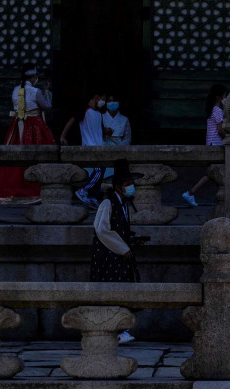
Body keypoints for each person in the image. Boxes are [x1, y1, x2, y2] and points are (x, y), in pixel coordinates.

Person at [91, 159, 149, 344]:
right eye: (128, 184)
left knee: (123, 291)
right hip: (109, 257)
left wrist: (132, 241)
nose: (131, 187)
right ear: (118, 187)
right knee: (112, 292)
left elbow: (119, 229)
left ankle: (121, 328)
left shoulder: (123, 204)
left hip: (120, 257)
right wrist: (122, 248)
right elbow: (102, 230)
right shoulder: (108, 203)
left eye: (132, 184)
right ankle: (114, 330)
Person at [0, 64, 54, 204]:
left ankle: (12, 188)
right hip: (34, 125)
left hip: (17, 125)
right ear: (33, 77)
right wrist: (47, 93)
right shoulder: (35, 91)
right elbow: (46, 106)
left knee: (14, 155)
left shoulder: (16, 90)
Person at [60, 91, 107, 209]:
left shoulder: (99, 114)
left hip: (100, 147)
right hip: (89, 147)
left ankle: (93, 197)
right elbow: (71, 121)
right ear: (96, 97)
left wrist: (108, 131)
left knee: (101, 172)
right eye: (103, 99)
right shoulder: (84, 110)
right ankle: (83, 190)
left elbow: (99, 130)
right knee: (97, 171)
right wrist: (63, 136)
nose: (103, 102)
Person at [182, 84, 226, 207]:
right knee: (213, 173)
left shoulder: (212, 109)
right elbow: (220, 130)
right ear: (219, 97)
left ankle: (192, 193)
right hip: (216, 143)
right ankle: (191, 192)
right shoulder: (218, 110)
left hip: (212, 143)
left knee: (213, 172)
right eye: (224, 95)